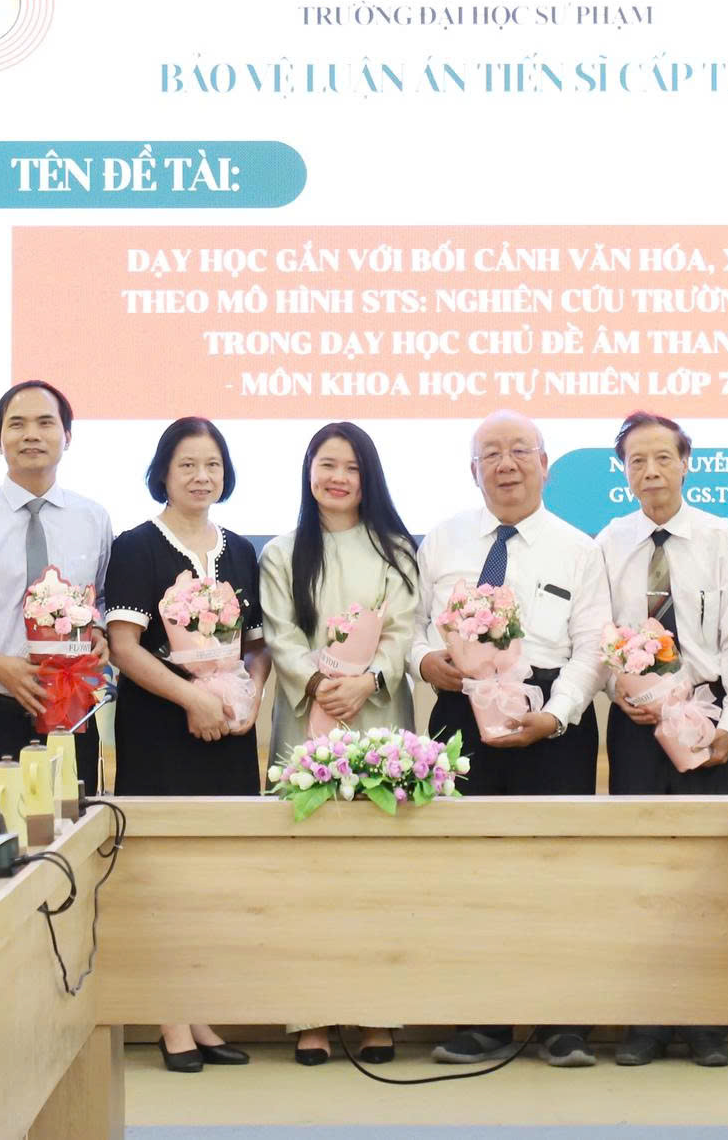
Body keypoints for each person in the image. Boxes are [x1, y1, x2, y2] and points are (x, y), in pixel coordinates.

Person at [416, 409, 611, 1070]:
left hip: (551, 723)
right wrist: (426, 662)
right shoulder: (441, 540)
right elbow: (413, 628)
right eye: (491, 454)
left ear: (545, 464)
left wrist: (555, 715)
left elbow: (592, 646)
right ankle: (482, 1020)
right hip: (459, 714)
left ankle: (563, 1024)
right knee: (469, 871)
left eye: (520, 450)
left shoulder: (580, 548)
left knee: (558, 872)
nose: (506, 465)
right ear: (472, 470)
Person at [597, 410, 728, 1072]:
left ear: (686, 462)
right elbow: (597, 636)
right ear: (624, 471)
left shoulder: (723, 540)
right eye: (637, 461)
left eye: (662, 457)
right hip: (637, 726)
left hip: (708, 719)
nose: (651, 472)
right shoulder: (608, 542)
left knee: (708, 870)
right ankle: (645, 1020)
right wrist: (618, 689)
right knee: (642, 869)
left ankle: (706, 1021)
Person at [103, 417, 266, 1073]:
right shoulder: (136, 545)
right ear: (163, 473)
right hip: (159, 732)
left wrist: (248, 697)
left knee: (215, 881)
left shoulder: (241, 550)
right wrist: (192, 698)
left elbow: (256, 647)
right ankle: (170, 1019)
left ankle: (199, 1012)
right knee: (164, 879)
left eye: (213, 464)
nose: (203, 476)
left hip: (228, 736)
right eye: (188, 465)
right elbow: (123, 648)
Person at [259, 421, 419, 1068]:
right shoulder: (281, 552)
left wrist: (368, 681)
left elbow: (403, 631)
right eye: (327, 464)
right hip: (307, 722)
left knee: (381, 871)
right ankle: (312, 1017)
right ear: (309, 470)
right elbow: (280, 634)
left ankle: (378, 1015)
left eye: (352, 467)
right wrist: (322, 685)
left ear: (368, 477)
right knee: (309, 871)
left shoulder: (396, 550)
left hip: (379, 716)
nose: (338, 477)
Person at [0, 379, 115, 792]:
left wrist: (100, 631)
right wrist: (2, 668)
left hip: (72, 709)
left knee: (75, 824)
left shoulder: (93, 519)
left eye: (45, 423)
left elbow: (101, 599)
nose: (31, 434)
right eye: (17, 424)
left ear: (67, 436)